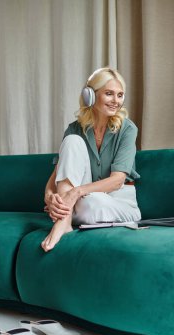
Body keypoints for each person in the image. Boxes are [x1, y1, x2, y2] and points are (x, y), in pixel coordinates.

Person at [41, 67, 141, 252]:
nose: (116, 101)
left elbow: (117, 180)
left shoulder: (128, 129)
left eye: (120, 95)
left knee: (93, 203)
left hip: (116, 201)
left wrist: (74, 193)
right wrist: (49, 197)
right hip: (81, 201)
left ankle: (64, 218)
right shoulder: (74, 128)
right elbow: (58, 174)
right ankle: (64, 221)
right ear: (90, 96)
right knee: (72, 141)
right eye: (109, 94)